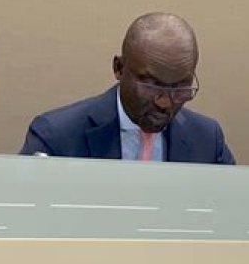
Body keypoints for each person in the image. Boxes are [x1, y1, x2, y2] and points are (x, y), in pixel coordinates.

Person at [20, 12, 235, 164]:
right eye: (151, 85)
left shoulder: (207, 140)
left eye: (180, 88)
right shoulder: (56, 137)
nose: (164, 103)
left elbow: (231, 210)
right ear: (119, 68)